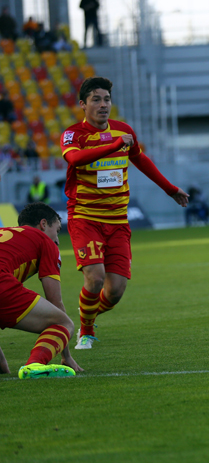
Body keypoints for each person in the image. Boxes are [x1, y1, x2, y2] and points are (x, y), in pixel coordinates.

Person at [60, 77, 189, 349]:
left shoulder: (124, 130)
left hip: (118, 221)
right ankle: (86, 331)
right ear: (83, 104)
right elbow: (74, 159)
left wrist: (170, 189)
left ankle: (86, 314)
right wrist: (113, 145)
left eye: (107, 99)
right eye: (96, 99)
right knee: (95, 278)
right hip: (85, 218)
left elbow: (139, 158)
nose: (103, 105)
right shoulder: (73, 135)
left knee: (115, 291)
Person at [0, 202, 82, 379]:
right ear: (43, 224)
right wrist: (66, 355)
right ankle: (35, 364)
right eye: (57, 231)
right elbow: (55, 301)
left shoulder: (6, 233)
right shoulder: (44, 241)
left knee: (3, 370)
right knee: (64, 323)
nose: (57, 240)